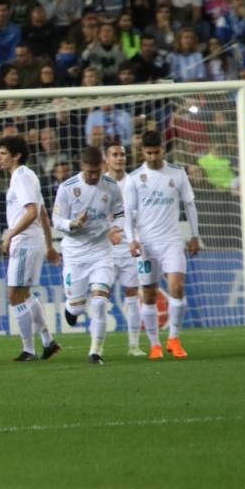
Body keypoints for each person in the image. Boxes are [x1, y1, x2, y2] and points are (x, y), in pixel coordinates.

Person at [123, 131, 201, 360]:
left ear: (163, 149)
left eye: (156, 152)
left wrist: (195, 235)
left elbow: (190, 204)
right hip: (146, 244)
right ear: (142, 152)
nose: (153, 156)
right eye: (148, 153)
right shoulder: (135, 178)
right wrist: (131, 239)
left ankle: (174, 339)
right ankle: (155, 344)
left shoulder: (177, 173)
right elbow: (128, 213)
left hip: (171, 241)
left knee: (177, 287)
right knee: (148, 294)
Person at [52, 146, 125, 365]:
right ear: (82, 166)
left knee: (101, 302)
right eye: (89, 172)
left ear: (103, 166)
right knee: (76, 307)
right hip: (74, 254)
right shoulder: (67, 188)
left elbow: (121, 213)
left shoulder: (111, 187)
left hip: (101, 252)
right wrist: (73, 224)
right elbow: (56, 221)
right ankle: (71, 307)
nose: (94, 176)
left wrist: (115, 229)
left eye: (97, 171)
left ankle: (96, 352)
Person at [0, 135, 62, 361]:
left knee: (14, 295)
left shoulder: (21, 178)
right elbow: (43, 213)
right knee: (24, 295)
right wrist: (49, 244)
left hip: (24, 242)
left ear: (16, 156)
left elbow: (32, 212)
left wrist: (9, 234)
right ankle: (47, 341)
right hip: (32, 241)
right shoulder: (28, 175)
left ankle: (29, 349)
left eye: (3, 153)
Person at [105, 142, 145, 356]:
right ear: (107, 159)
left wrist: (135, 238)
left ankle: (133, 345)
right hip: (106, 249)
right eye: (115, 155)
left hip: (129, 247)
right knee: (101, 294)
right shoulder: (99, 183)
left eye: (122, 154)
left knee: (132, 293)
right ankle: (97, 348)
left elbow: (139, 214)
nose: (120, 158)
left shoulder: (135, 182)